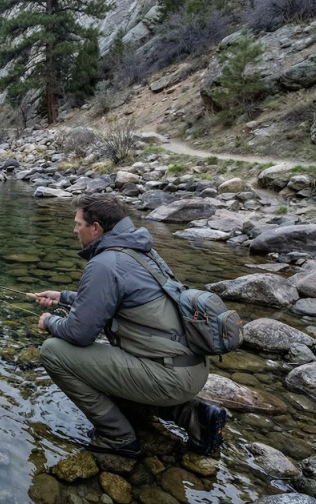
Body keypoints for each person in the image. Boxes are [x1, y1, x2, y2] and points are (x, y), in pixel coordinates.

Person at [32, 194, 226, 458]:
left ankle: (117, 436)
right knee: (103, 360)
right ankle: (195, 417)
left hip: (169, 377)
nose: (74, 229)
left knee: (54, 351)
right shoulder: (139, 250)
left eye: (78, 224)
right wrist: (63, 297)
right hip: (190, 368)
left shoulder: (104, 264)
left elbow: (79, 334)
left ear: (96, 228)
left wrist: (49, 322)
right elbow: (117, 302)